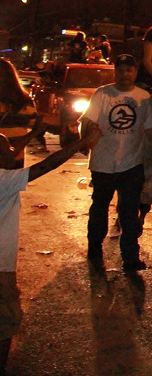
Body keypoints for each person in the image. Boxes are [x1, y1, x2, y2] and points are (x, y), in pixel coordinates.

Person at [0, 121, 99, 374]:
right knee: (6, 320)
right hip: (1, 269)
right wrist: (81, 142)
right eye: (6, 149)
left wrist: (33, 132)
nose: (13, 152)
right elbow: (47, 164)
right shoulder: (5, 180)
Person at [81, 54, 152, 272]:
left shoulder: (144, 98)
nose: (125, 74)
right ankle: (94, 250)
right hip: (103, 165)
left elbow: (150, 130)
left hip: (131, 166)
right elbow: (87, 122)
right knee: (99, 210)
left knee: (129, 214)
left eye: (129, 70)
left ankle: (130, 258)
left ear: (135, 71)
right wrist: (85, 140)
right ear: (115, 71)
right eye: (121, 70)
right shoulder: (102, 94)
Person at [0, 60, 38, 169]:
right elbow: (32, 123)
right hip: (15, 158)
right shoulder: (25, 101)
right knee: (12, 184)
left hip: (9, 159)